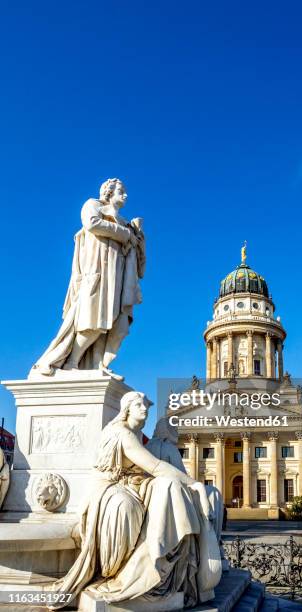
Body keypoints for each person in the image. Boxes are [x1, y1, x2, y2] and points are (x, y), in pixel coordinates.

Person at [48, 391, 221, 609]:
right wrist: (194, 484)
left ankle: (163, 562)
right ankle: (145, 567)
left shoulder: (138, 435)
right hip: (109, 489)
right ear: (127, 408)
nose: (145, 409)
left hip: (132, 484)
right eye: (140, 405)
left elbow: (148, 472)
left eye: (147, 406)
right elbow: (155, 467)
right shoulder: (122, 433)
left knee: (168, 488)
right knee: (140, 500)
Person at [31, 179, 145, 380]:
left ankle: (96, 364)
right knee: (94, 319)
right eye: (121, 191)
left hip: (118, 276)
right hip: (98, 271)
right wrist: (126, 234)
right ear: (109, 193)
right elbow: (92, 223)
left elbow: (140, 263)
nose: (125, 195)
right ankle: (73, 362)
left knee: (113, 323)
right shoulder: (93, 205)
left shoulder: (125, 222)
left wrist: (137, 236)